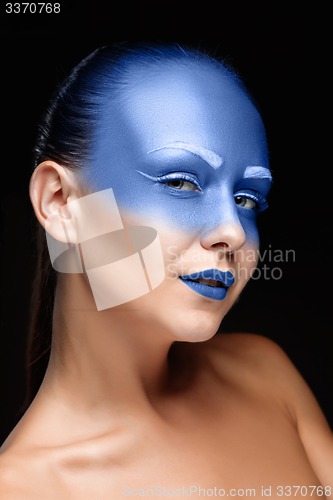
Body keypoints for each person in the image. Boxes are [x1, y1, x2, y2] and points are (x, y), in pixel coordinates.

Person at [0, 41, 332, 498]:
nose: (234, 232)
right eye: (180, 182)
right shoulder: (25, 487)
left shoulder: (264, 374)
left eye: (247, 199)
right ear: (60, 202)